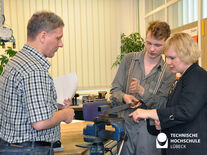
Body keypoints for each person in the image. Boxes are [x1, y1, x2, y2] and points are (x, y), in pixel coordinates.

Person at [0, 11, 75, 155]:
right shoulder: (33, 69)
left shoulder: (17, 61)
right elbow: (40, 123)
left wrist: (53, 106)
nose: (61, 44)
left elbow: (22, 108)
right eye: (58, 38)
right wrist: (65, 114)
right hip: (29, 149)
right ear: (43, 36)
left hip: (12, 146)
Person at [129, 32, 207, 155]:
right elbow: (176, 111)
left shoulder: (197, 76)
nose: (168, 62)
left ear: (186, 55)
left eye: (172, 58)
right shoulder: (183, 78)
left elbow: (186, 111)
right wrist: (164, 122)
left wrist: (149, 113)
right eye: (167, 57)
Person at [110, 21, 175, 155]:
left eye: (157, 45)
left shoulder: (168, 71)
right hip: (126, 129)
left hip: (150, 133)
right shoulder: (129, 60)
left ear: (166, 44)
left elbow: (163, 104)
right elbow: (114, 90)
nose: (152, 49)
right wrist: (124, 97)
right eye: (149, 43)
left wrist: (142, 91)